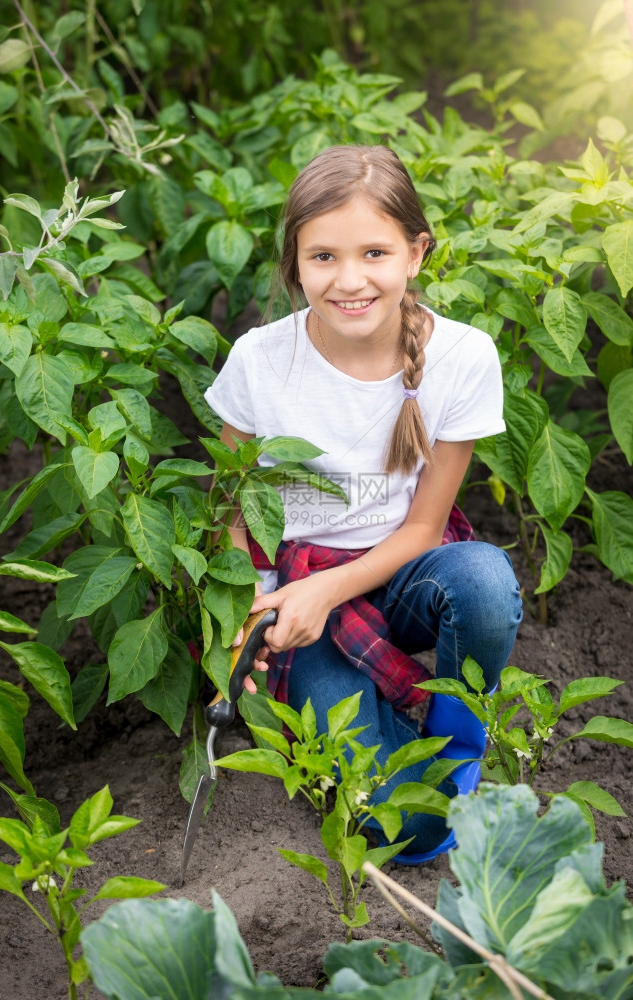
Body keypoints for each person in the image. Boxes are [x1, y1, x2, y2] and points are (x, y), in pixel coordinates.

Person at [204, 144, 522, 862]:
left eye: (374, 252)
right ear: (294, 262)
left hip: (400, 570)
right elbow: (231, 511)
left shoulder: (462, 357)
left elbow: (423, 528)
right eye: (323, 258)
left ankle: (453, 746)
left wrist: (322, 589)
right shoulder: (261, 360)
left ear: (416, 253)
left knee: (483, 582)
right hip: (298, 594)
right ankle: (384, 736)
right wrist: (250, 614)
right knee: (402, 829)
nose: (350, 280)